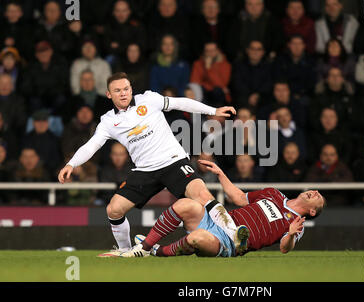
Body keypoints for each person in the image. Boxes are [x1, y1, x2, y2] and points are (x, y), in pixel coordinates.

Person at [58, 72, 248, 256]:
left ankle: (234, 234)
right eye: (117, 90)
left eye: (126, 88)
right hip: (145, 171)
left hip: (173, 162)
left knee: (202, 194)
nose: (123, 93)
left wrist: (213, 111)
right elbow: (92, 145)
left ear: (131, 89)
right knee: (114, 209)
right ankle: (125, 250)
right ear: (109, 94)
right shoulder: (108, 121)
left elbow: (179, 102)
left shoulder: (148, 99)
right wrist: (72, 164)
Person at [119, 159, 325, 257]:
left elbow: (284, 248)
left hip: (226, 243)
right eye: (315, 191)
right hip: (216, 219)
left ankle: (156, 252)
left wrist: (289, 235)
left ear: (313, 212)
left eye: (318, 197)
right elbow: (237, 197)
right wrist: (220, 173)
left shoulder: (296, 224)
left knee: (196, 238)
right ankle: (145, 247)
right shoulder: (274, 193)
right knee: (184, 204)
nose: (314, 192)